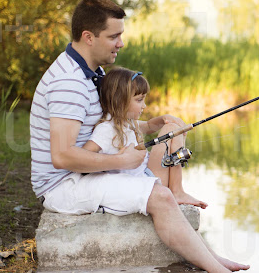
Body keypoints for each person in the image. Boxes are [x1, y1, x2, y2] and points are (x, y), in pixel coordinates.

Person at [30, 0, 259, 273]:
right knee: (159, 196)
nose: (120, 42)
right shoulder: (68, 82)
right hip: (64, 184)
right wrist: (121, 159)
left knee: (168, 134)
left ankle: (208, 255)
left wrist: (152, 125)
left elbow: (109, 122)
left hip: (90, 169)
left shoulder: (89, 73)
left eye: (120, 35)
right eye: (113, 36)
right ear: (88, 37)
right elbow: (63, 156)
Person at [81, 67, 206, 212]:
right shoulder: (106, 129)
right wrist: (116, 160)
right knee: (173, 128)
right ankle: (177, 192)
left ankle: (176, 190)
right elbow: (85, 155)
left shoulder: (125, 122)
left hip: (147, 175)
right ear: (119, 100)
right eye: (139, 100)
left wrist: (163, 118)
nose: (144, 106)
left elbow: (147, 126)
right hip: (144, 183)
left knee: (172, 126)